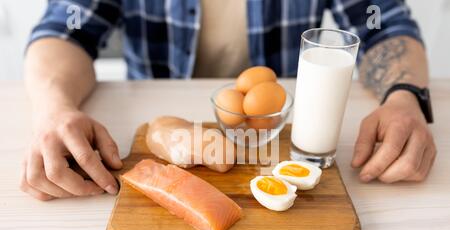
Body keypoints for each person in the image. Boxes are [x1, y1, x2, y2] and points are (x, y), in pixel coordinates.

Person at [21, 0, 436, 201]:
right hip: (159, 123)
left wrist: (406, 98)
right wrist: (54, 108)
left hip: (274, 131)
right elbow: (64, 30)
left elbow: (384, 24)